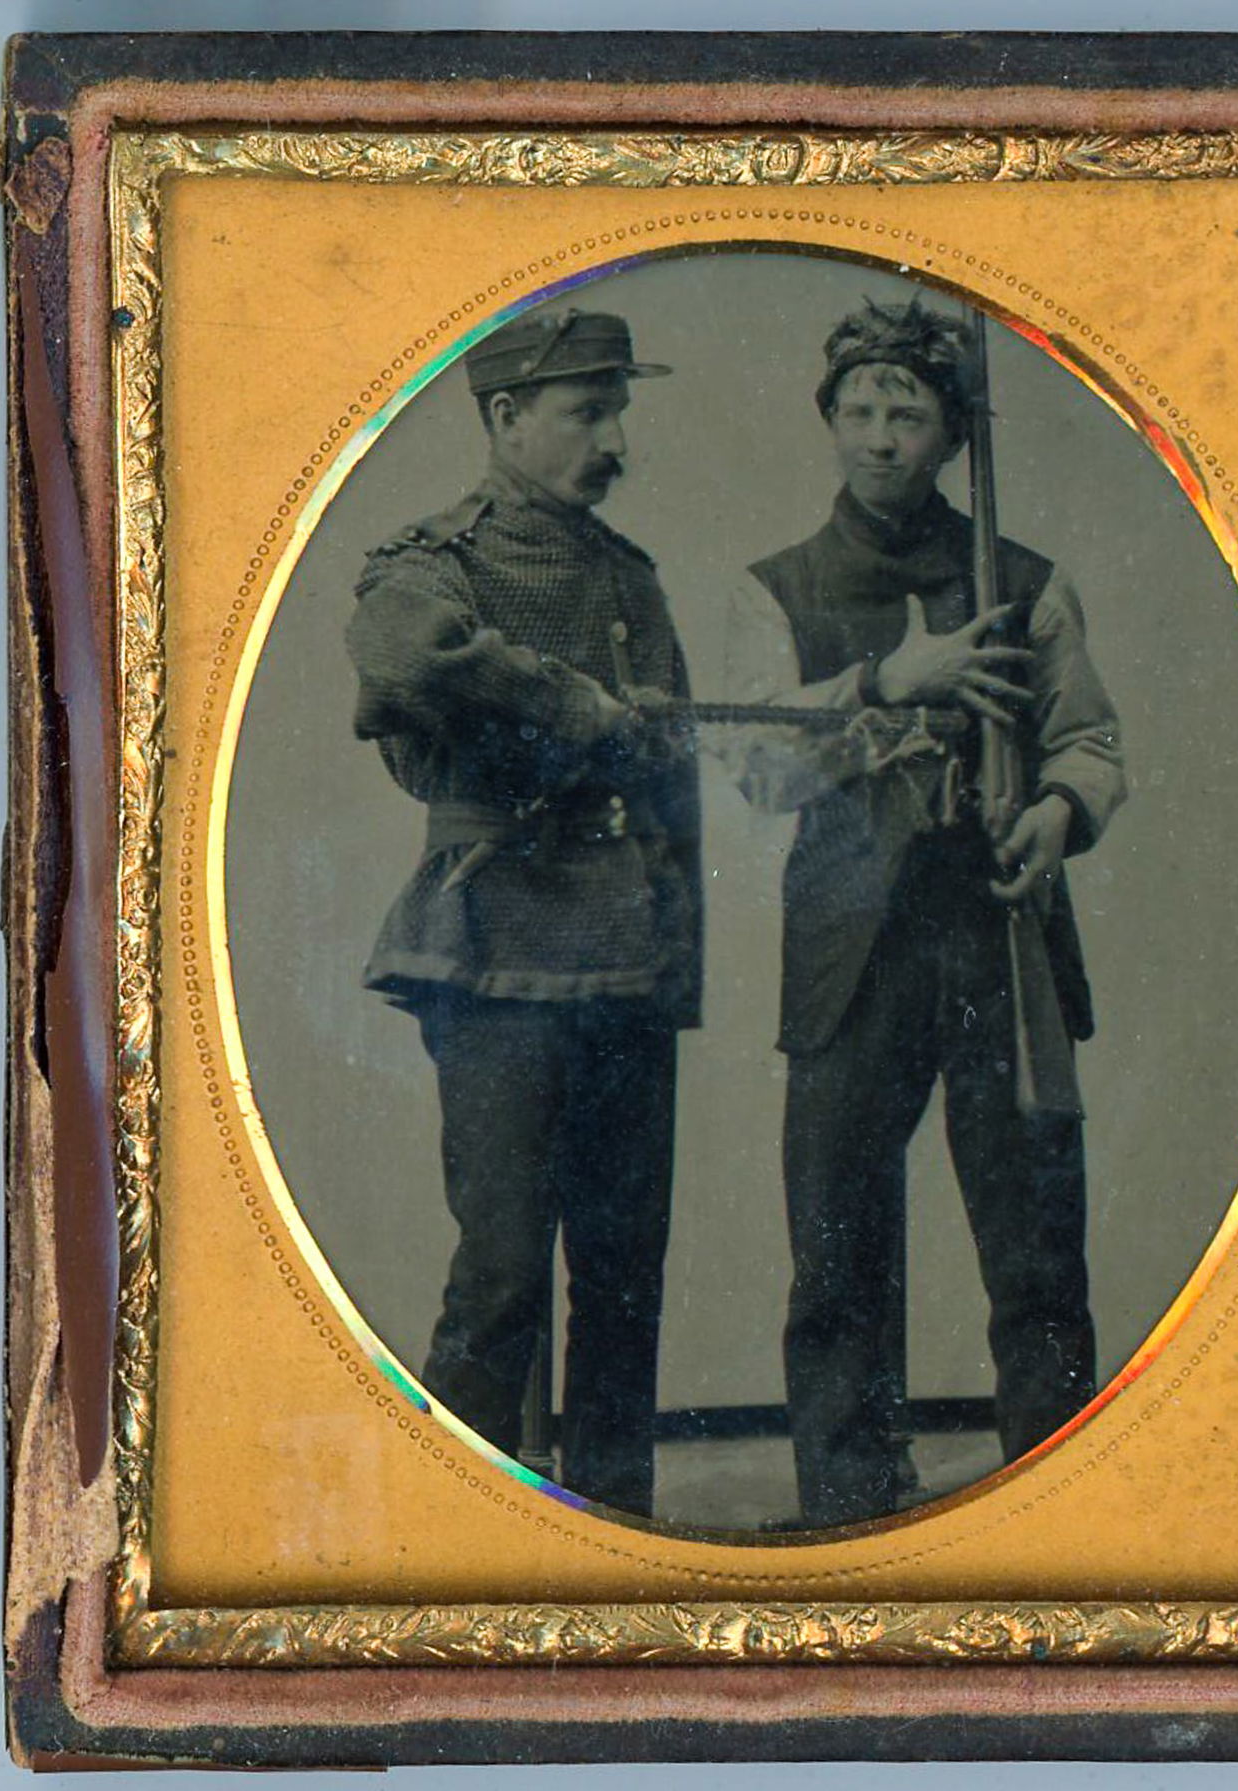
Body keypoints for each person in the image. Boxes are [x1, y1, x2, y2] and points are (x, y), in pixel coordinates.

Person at [727, 297, 1126, 1528]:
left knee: (1035, 1244)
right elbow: (759, 769)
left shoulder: (1026, 584)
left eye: (906, 414)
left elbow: (1090, 742)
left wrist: (1054, 814)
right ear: (830, 422)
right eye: (858, 411)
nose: (879, 437)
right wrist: (891, 681)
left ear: (954, 435)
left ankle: (1051, 1503)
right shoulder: (775, 588)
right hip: (850, 954)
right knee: (836, 1248)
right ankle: (848, 1506)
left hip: (1000, 937)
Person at [345, 308, 701, 1517]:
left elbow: (674, 793)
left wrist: (675, 962)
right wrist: (577, 707)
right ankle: (459, 1536)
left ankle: (619, 1535)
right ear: (504, 416)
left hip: (625, 960)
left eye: (619, 412)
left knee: (624, 1277)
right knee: (500, 1275)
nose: (616, 443)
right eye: (588, 412)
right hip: (495, 952)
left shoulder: (630, 576)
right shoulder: (430, 565)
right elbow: (401, 658)